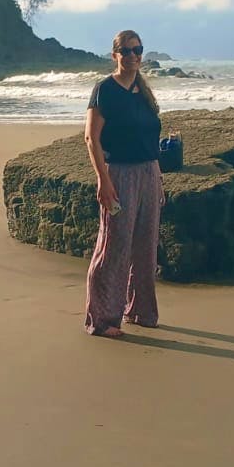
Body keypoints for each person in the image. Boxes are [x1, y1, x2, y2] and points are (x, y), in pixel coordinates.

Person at [82, 30, 163, 337]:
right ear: (115, 55)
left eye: (137, 50)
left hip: (149, 173)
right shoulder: (105, 89)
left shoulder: (143, 92)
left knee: (145, 247)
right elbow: (92, 138)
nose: (133, 56)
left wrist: (158, 179)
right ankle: (102, 318)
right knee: (114, 245)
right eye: (126, 51)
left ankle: (140, 310)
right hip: (119, 173)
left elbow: (149, 140)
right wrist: (103, 180)